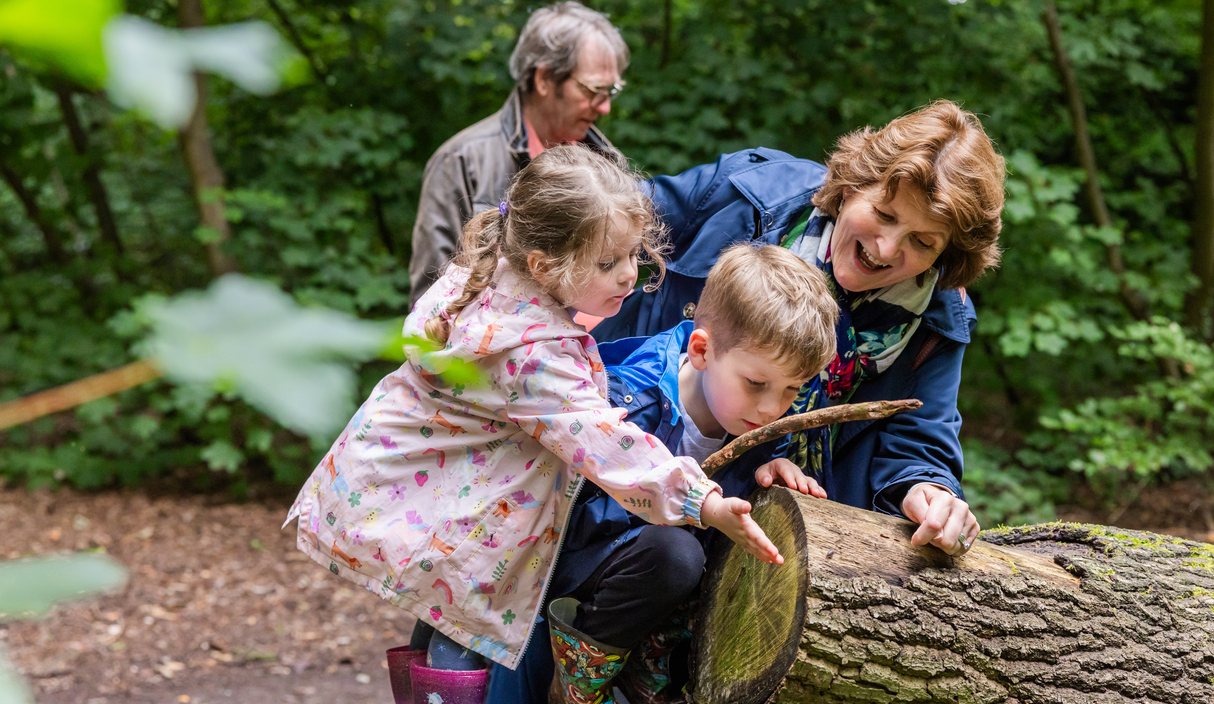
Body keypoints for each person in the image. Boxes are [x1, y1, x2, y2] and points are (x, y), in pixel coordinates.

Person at [284, 146, 780, 704]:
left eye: (632, 254)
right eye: (607, 262)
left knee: (445, 626)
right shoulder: (529, 352)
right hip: (462, 524)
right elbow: (604, 445)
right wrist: (703, 502)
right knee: (460, 644)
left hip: (442, 509)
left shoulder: (492, 283)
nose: (629, 274)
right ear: (545, 266)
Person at [591, 100, 1006, 559]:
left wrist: (926, 489)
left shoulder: (936, 321)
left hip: (784, 537)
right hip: (607, 463)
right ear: (852, 186)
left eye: (922, 241)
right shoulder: (749, 198)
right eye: (885, 215)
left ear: (945, 256)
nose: (886, 249)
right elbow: (593, 219)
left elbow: (921, 439)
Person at [490, 243, 840, 703]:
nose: (773, 408)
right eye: (757, 384)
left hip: (659, 612)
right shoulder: (628, 398)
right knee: (676, 551)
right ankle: (579, 680)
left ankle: (646, 673)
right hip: (576, 570)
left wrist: (764, 476)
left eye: (792, 390)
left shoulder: (757, 429)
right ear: (701, 350)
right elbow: (575, 515)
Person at [408, 1, 629, 304]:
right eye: (592, 91)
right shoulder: (461, 161)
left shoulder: (607, 161)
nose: (604, 107)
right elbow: (429, 304)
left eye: (611, 92)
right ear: (544, 79)